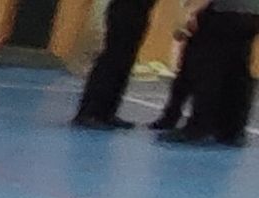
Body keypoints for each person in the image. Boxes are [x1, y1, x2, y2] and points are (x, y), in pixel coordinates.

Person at [159, 0, 259, 144]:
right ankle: (233, 130)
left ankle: (199, 127)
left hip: (221, 12)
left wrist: (191, 11)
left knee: (208, 69)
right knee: (237, 69)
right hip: (251, 12)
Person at [72, 0, 161, 129]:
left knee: (124, 63)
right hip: (125, 9)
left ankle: (107, 112)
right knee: (111, 61)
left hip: (141, 11)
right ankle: (89, 112)